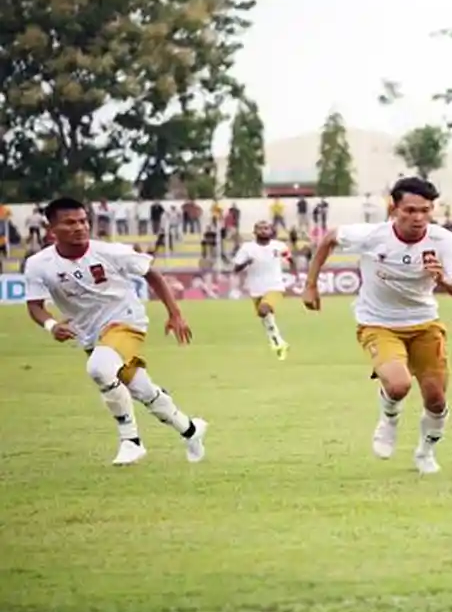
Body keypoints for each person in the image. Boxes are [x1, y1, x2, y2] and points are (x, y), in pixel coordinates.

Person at [302, 177, 452, 474]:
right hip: (378, 323)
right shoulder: (373, 236)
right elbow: (329, 238)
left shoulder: (443, 240)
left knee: (436, 398)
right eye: (410, 210)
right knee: (398, 384)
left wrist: (442, 280)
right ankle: (389, 420)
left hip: (424, 324)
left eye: (425, 210)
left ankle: (425, 452)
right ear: (394, 208)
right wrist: (310, 285)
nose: (418, 217)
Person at [22, 197, 208, 466]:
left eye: (83, 221)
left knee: (99, 368)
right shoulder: (39, 264)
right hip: (89, 333)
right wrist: (52, 325)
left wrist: (175, 313)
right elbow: (35, 306)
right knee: (142, 390)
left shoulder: (109, 252)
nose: (79, 227)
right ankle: (191, 430)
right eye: (70, 222)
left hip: (126, 320)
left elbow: (151, 273)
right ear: (52, 229)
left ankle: (131, 441)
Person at [232, 220, 295, 359]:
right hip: (255, 288)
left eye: (266, 228)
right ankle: (279, 342)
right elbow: (235, 268)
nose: (263, 231)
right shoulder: (247, 248)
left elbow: (290, 259)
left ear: (271, 231)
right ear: (255, 232)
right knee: (265, 316)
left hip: (275, 286)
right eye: (260, 229)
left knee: (264, 309)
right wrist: (247, 263)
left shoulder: (279, 246)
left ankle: (277, 341)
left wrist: (293, 268)